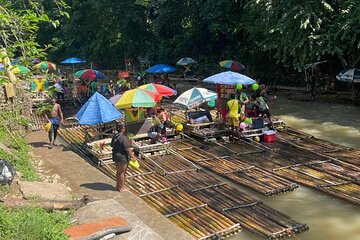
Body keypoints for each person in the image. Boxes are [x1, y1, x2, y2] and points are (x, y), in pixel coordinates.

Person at [111, 124, 134, 192]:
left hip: (115, 155)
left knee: (118, 172)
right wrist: (133, 157)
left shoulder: (115, 136)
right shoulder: (124, 137)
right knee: (122, 173)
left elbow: (112, 145)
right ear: (122, 129)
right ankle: (122, 187)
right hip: (122, 157)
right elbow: (127, 149)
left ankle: (118, 186)